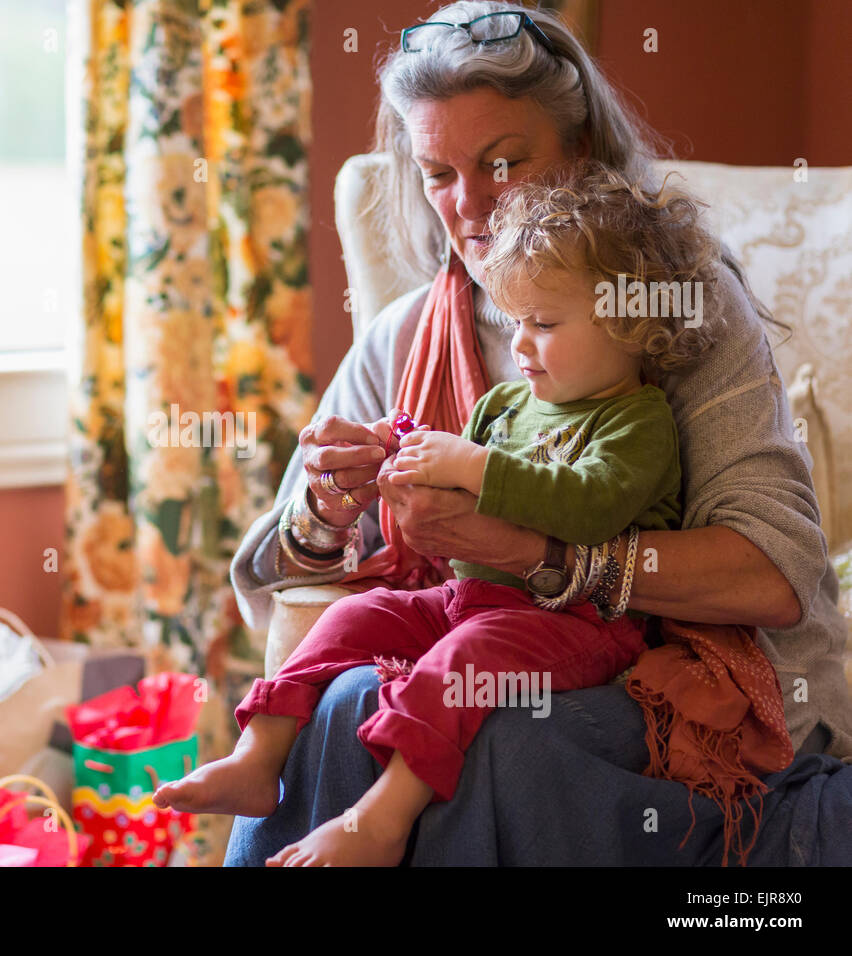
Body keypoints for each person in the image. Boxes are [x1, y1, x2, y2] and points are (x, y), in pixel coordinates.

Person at [221, 0, 852, 867]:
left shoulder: (665, 310)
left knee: (500, 736)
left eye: (503, 162)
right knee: (346, 702)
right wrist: (327, 510)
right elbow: (283, 576)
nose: (469, 205)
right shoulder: (411, 334)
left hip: (692, 684)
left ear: (582, 153)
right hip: (481, 644)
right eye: (438, 173)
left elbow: (774, 575)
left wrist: (532, 549)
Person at [157, 162, 727, 865]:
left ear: (632, 322)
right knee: (351, 619)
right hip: (469, 597)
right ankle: (258, 755)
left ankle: (385, 815)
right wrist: (396, 460)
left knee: (461, 666)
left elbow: (590, 505)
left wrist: (470, 467)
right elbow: (461, 498)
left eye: (544, 323)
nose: (519, 344)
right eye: (514, 320)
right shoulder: (507, 404)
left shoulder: (636, 422)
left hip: (577, 624)